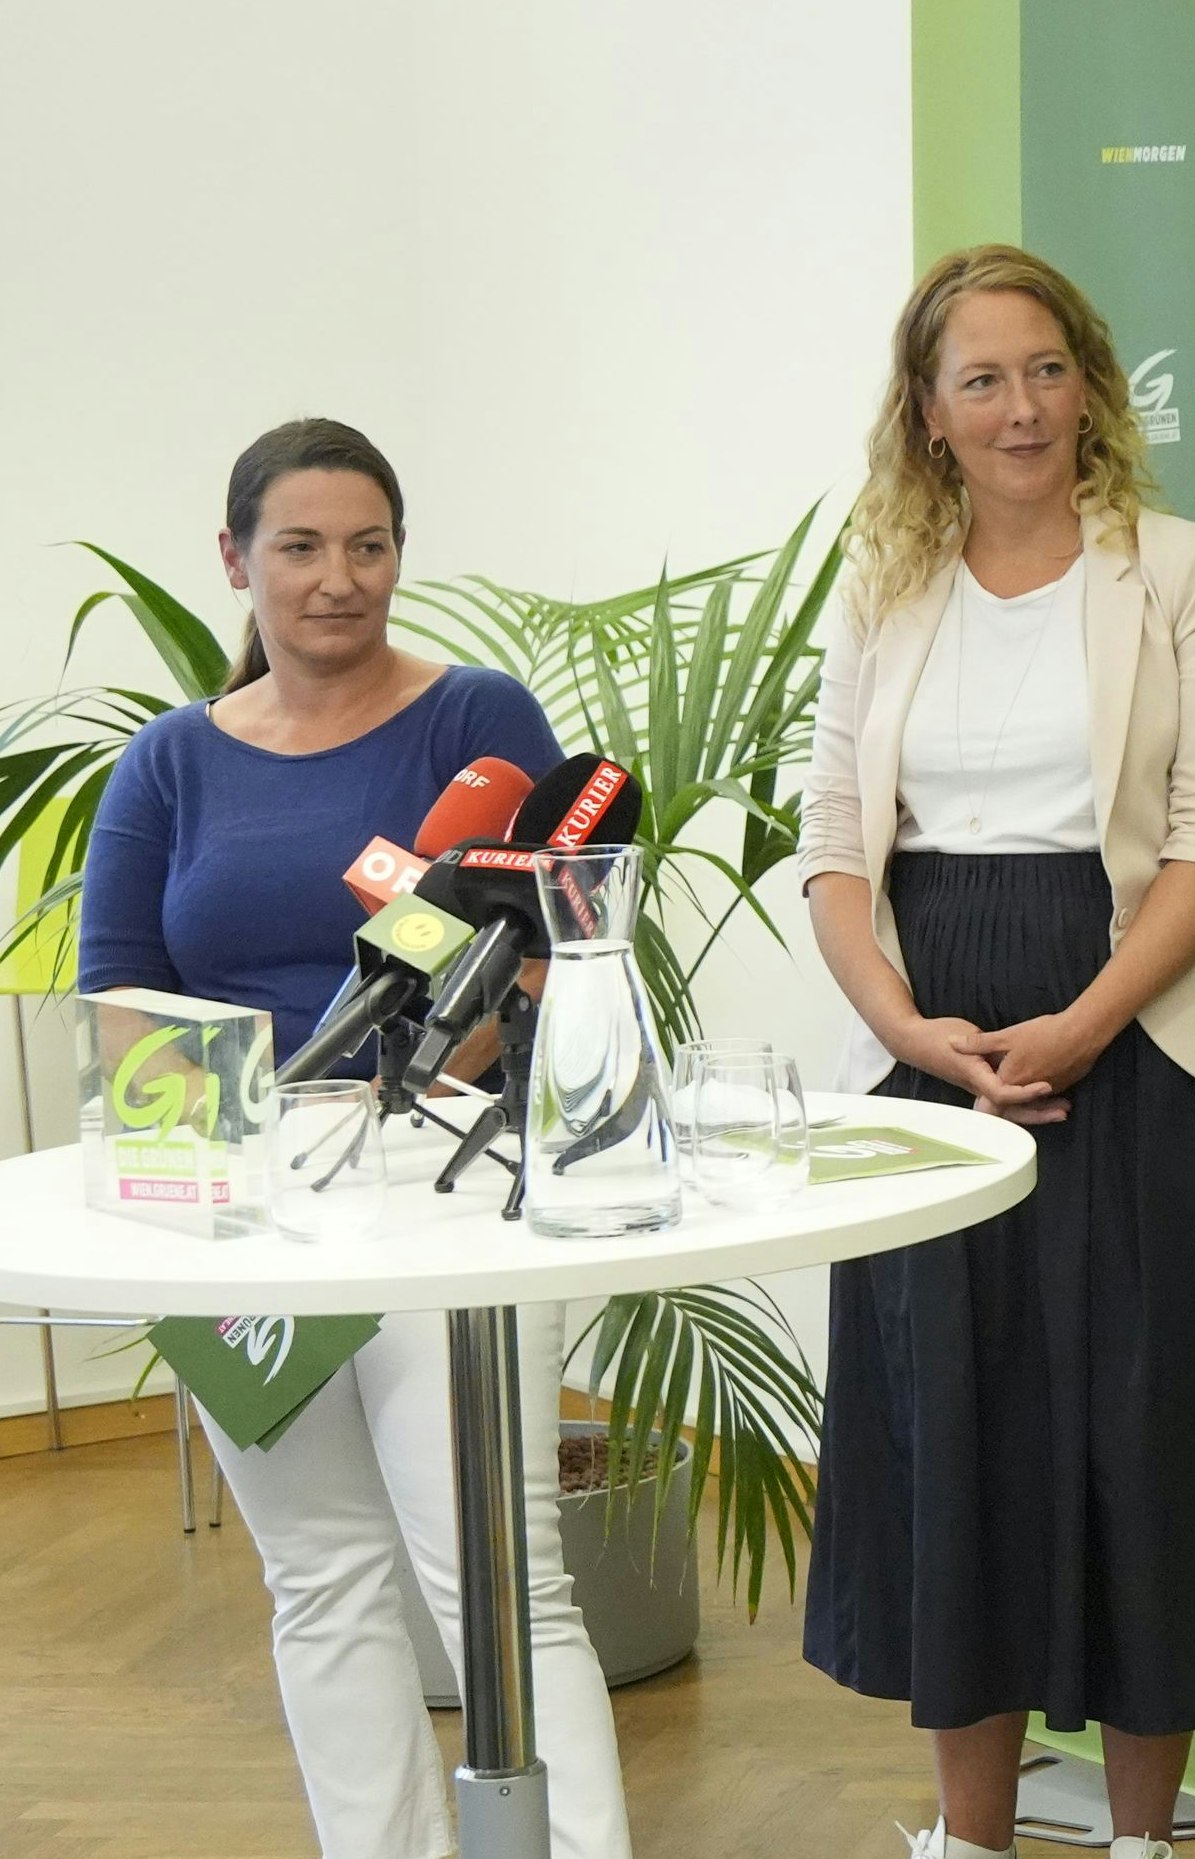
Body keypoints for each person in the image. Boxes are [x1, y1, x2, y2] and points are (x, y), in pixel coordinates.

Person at [797, 245, 1195, 1859]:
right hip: (934, 1044)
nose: (1021, 404)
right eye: (982, 376)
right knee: (951, 1442)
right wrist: (907, 1027)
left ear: (1089, 384)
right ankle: (969, 1837)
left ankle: (1134, 1839)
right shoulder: (885, 589)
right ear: (929, 411)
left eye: (1046, 368)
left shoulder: (1179, 569)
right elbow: (837, 839)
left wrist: (1085, 1018)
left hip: (1152, 1043)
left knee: (1144, 1439)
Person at [76, 419, 629, 1859]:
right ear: (236, 559)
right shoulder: (166, 766)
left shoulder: (474, 719)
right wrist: (237, 1159)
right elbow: (124, 997)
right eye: (302, 546)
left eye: (369, 545)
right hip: (242, 1200)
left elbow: (539, 947)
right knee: (320, 1577)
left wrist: (426, 1080)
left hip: (440, 1178)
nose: (339, 579)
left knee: (500, 1578)